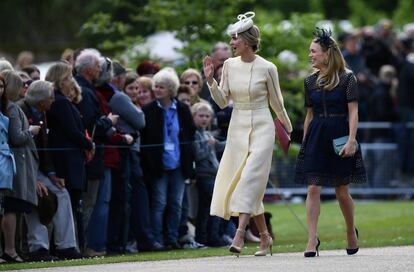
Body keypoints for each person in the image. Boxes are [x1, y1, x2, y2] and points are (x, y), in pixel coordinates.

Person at [203, 11, 292, 257]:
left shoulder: (268, 67)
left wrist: (288, 129)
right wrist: (210, 81)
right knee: (248, 186)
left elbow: (277, 103)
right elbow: (222, 102)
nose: (232, 43)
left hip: (263, 126)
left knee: (249, 180)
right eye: (231, 39)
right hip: (238, 127)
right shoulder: (229, 66)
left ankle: (240, 233)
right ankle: (265, 236)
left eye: (235, 39)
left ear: (248, 40)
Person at [294, 28, 367, 257]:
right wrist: (305, 143)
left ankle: (350, 231)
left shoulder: (348, 78)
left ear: (326, 54)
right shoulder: (309, 81)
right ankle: (311, 239)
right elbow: (309, 115)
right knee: (313, 187)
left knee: (341, 190)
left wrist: (352, 140)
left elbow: (353, 112)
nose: (310, 55)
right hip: (316, 135)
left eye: (313, 51)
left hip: (340, 134)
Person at [140, 67, 195, 250]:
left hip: (179, 164)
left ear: (171, 89)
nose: (156, 89)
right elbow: (145, 139)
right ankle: (157, 239)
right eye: (155, 86)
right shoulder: (147, 110)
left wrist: (190, 166)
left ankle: (172, 238)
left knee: (176, 203)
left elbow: (190, 137)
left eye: (161, 87)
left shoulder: (183, 109)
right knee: (159, 203)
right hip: (158, 165)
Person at [191, 102, 227, 247]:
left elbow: (219, 145)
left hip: (213, 175)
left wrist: (234, 140)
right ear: (194, 116)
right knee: (216, 203)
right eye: (201, 116)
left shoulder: (206, 133)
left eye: (207, 116)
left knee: (206, 207)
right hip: (203, 175)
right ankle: (214, 237)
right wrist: (209, 144)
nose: (204, 119)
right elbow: (198, 155)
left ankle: (203, 237)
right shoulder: (194, 134)